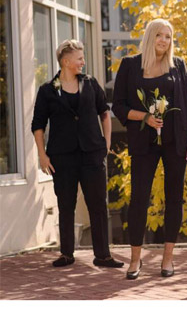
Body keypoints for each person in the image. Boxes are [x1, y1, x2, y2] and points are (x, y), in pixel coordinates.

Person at [112, 19, 187, 280]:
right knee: (139, 199)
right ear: (150, 37)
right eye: (159, 35)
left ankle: (168, 258)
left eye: (168, 36)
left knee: (174, 199)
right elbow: (118, 106)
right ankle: (135, 260)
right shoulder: (130, 65)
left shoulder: (178, 65)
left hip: (176, 142)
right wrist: (145, 117)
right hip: (143, 143)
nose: (164, 40)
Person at [32, 40, 123, 269]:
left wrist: (106, 143)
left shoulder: (90, 83)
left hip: (92, 153)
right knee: (66, 204)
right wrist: (42, 156)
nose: (83, 62)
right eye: (79, 58)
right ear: (66, 61)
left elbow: (104, 112)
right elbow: (38, 125)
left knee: (98, 204)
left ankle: (103, 255)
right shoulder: (48, 90)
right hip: (62, 157)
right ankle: (66, 254)